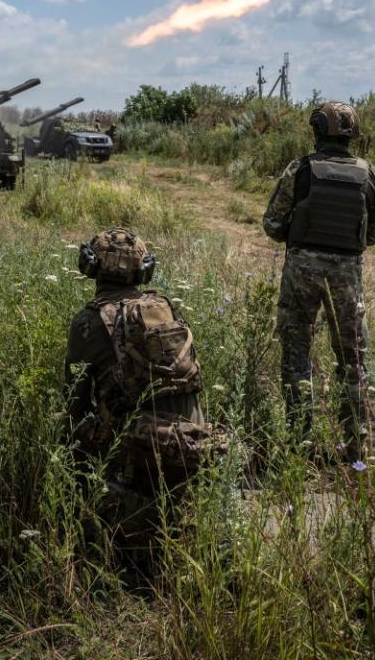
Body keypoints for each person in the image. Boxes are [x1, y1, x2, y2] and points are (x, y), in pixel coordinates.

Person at [64, 227, 213, 569]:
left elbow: (74, 400)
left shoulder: (88, 321)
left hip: (139, 450)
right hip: (193, 444)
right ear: (145, 270)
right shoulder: (164, 308)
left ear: (89, 267)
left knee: (73, 435)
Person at [262, 101, 375, 462]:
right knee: (352, 360)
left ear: (316, 130)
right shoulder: (368, 174)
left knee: (296, 355)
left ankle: (300, 443)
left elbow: (271, 224)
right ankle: (356, 447)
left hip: (301, 271)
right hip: (348, 275)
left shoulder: (300, 168)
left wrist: (298, 233)